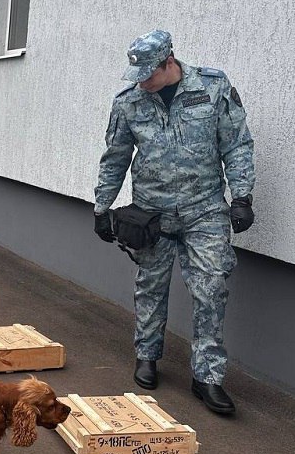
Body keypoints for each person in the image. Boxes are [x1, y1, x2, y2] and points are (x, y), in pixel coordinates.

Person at [93, 30, 255, 415]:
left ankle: (208, 377)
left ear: (169, 62)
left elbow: (237, 144)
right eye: (137, 75)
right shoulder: (129, 102)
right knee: (150, 285)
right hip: (153, 213)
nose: (142, 82)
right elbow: (115, 156)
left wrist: (242, 196)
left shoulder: (212, 88)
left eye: (149, 73)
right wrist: (102, 207)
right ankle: (147, 355)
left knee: (211, 289)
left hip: (205, 210)